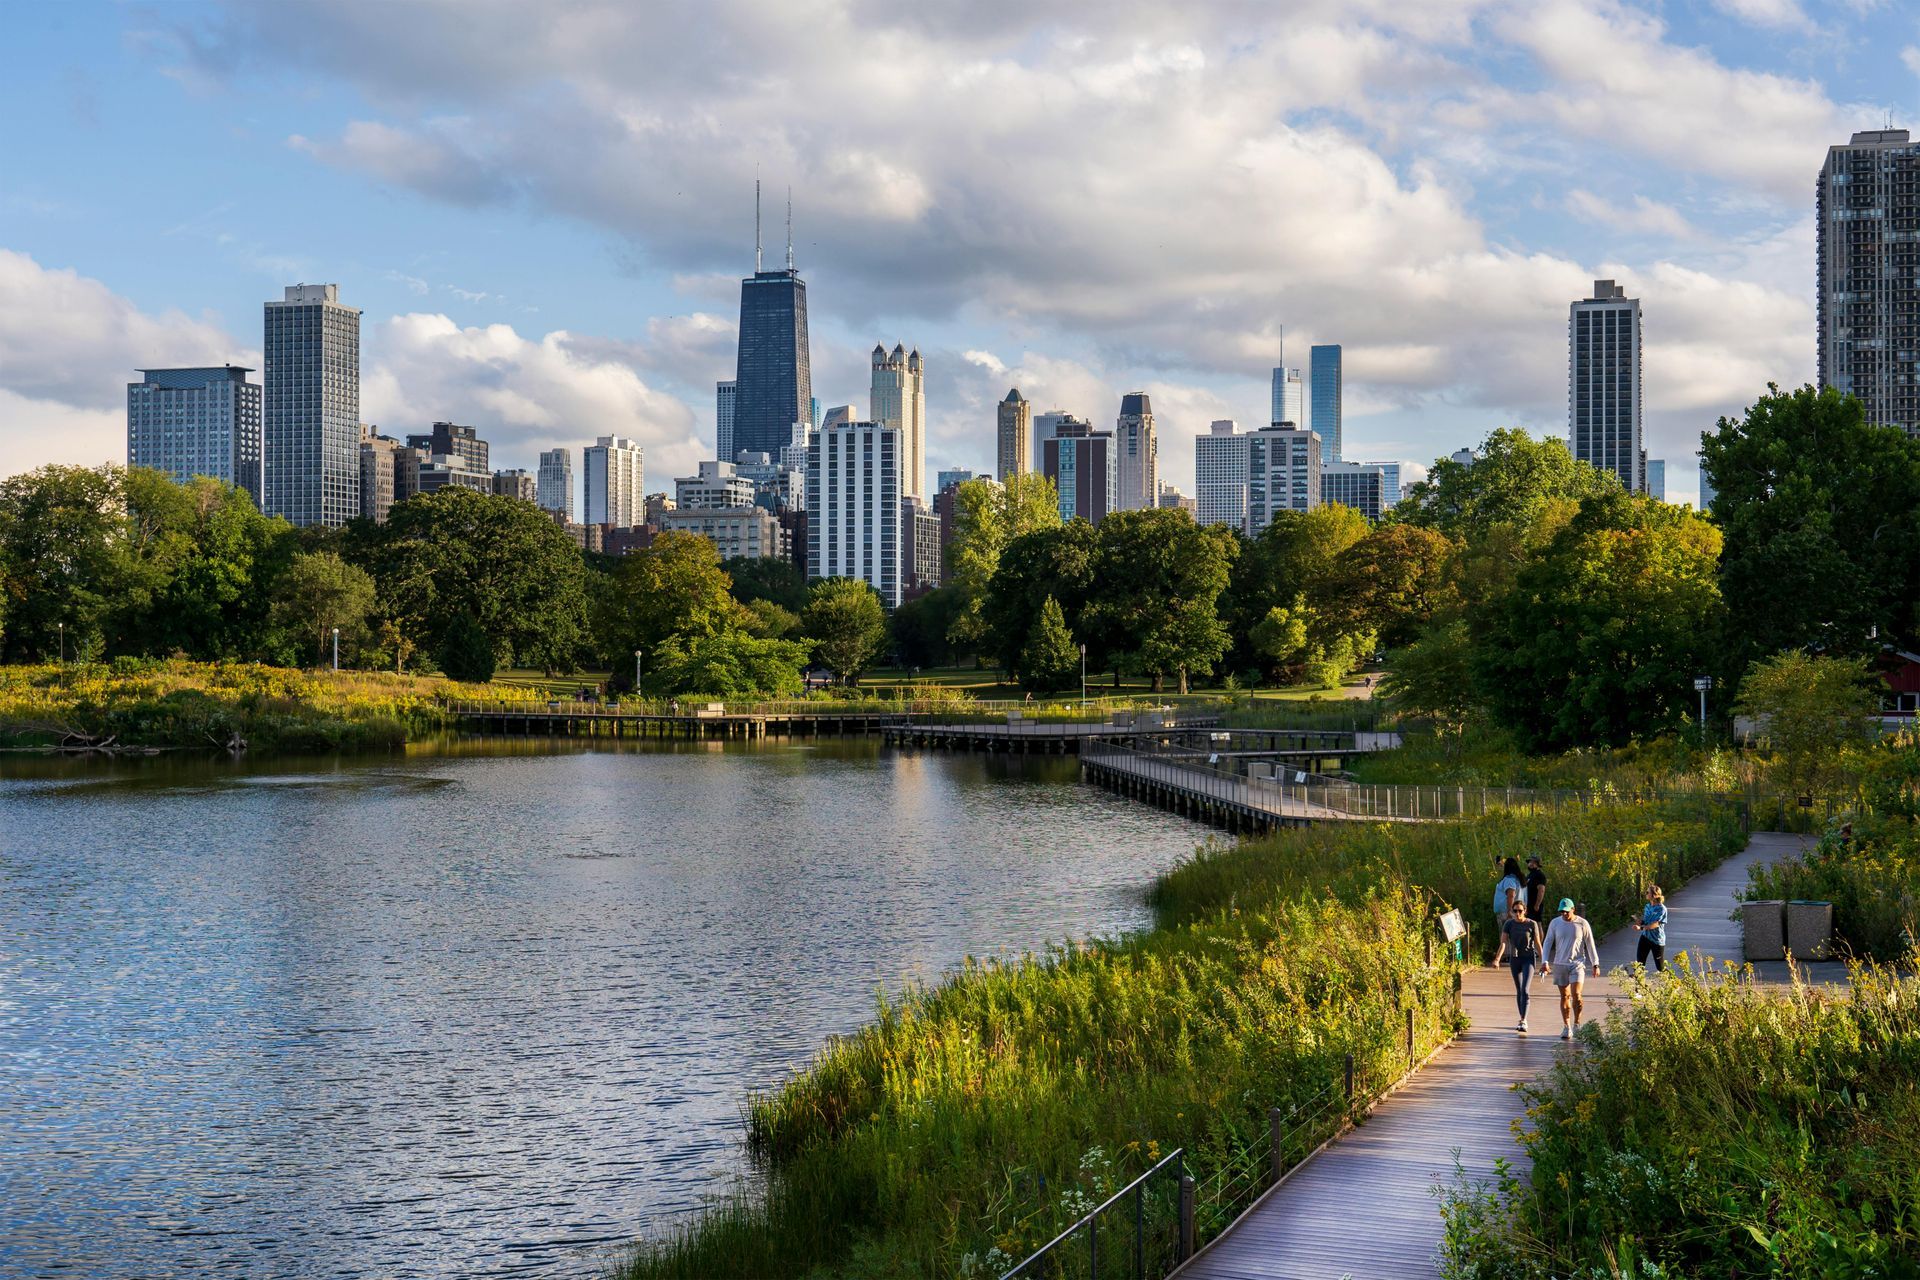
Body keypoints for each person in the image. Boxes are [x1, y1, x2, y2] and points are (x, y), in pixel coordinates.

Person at [1541, 897, 1600, 1040]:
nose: (1564, 914)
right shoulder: (1555, 923)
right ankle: (1566, 1026)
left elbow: (1590, 944)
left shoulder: (1582, 923)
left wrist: (1595, 964)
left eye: (1567, 911)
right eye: (1562, 912)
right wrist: (1544, 962)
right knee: (1565, 996)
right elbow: (1548, 942)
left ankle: (1577, 1024)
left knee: (1577, 996)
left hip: (1577, 963)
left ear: (1573, 909)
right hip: (1560, 964)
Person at [1502, 901, 1543, 1033]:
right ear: (1512, 912)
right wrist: (1497, 959)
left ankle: (1523, 1020)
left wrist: (1544, 961)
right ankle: (1521, 1018)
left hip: (1528, 959)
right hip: (1515, 959)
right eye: (1515, 911)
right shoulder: (1509, 924)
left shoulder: (1531, 924)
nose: (1517, 913)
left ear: (1525, 910)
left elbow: (1537, 943)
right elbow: (1503, 943)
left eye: (1520, 910)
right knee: (1519, 990)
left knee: (1525, 989)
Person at [1490, 857, 1524, 965]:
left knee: (1505, 933)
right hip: (1510, 910)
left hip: (1506, 911)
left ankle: (1508, 955)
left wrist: (1510, 911)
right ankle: (1511, 954)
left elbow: (1511, 895)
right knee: (1511, 933)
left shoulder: (1509, 880)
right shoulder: (1516, 879)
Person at [1633, 885, 1668, 974]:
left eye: (1648, 892)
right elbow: (1646, 921)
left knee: (1660, 967)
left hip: (1657, 940)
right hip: (1645, 937)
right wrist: (1638, 920)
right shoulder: (1647, 906)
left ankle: (1674, 984)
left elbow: (1655, 924)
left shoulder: (1661, 909)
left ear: (1655, 895)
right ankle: (1639, 986)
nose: (1646, 893)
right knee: (1639, 964)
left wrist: (1640, 928)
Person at [1524, 855, 1548, 921]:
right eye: (1529, 862)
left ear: (1538, 864)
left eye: (1533, 862)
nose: (1531, 864)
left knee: (1537, 924)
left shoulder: (1539, 875)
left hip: (1534, 905)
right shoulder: (1530, 875)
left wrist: (1537, 905)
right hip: (1528, 905)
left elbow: (1541, 890)